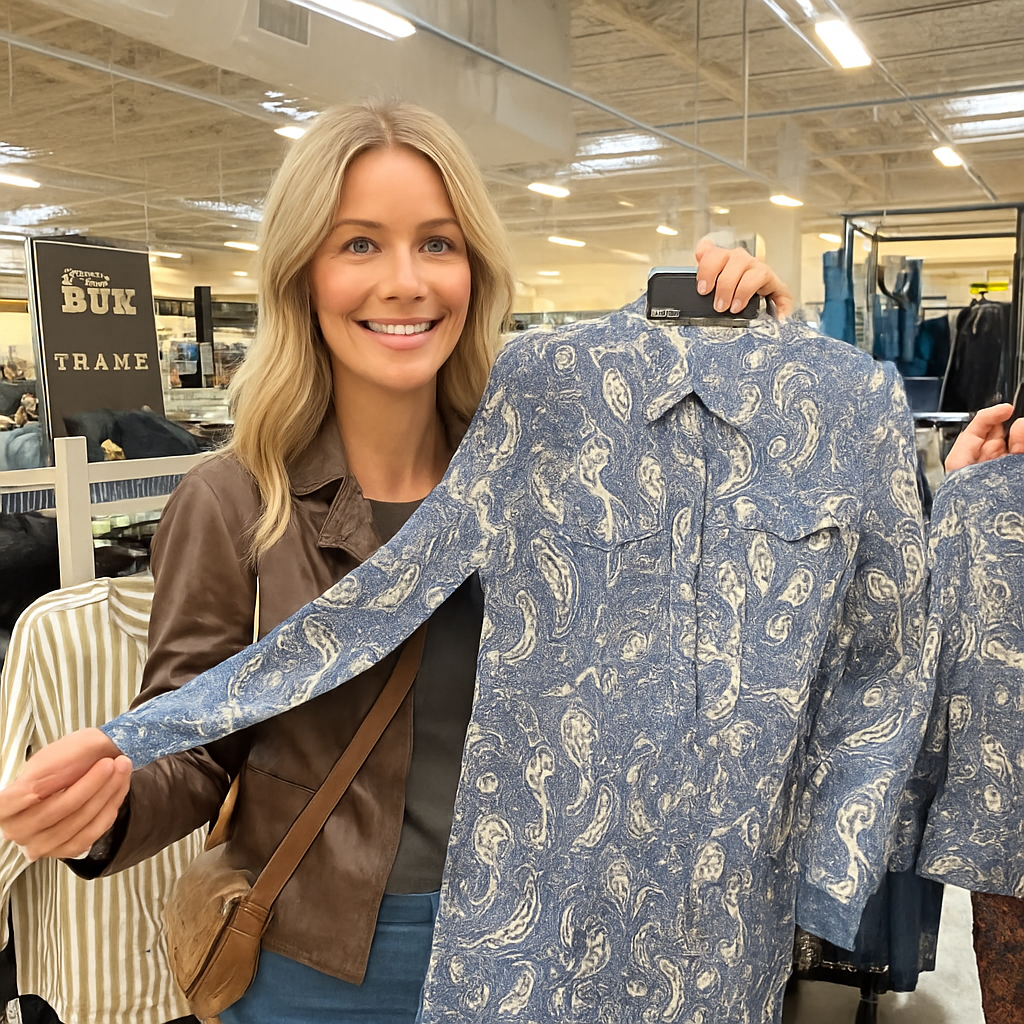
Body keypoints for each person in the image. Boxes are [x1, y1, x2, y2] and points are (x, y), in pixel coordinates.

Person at [0, 100, 793, 1024]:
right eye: (360, 244)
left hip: (544, 949)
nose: (406, 282)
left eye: (438, 243)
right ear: (303, 273)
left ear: (474, 270)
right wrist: (106, 811)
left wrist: (755, 349)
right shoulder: (235, 501)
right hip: (318, 969)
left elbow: (724, 572)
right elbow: (200, 743)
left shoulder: (552, 479)